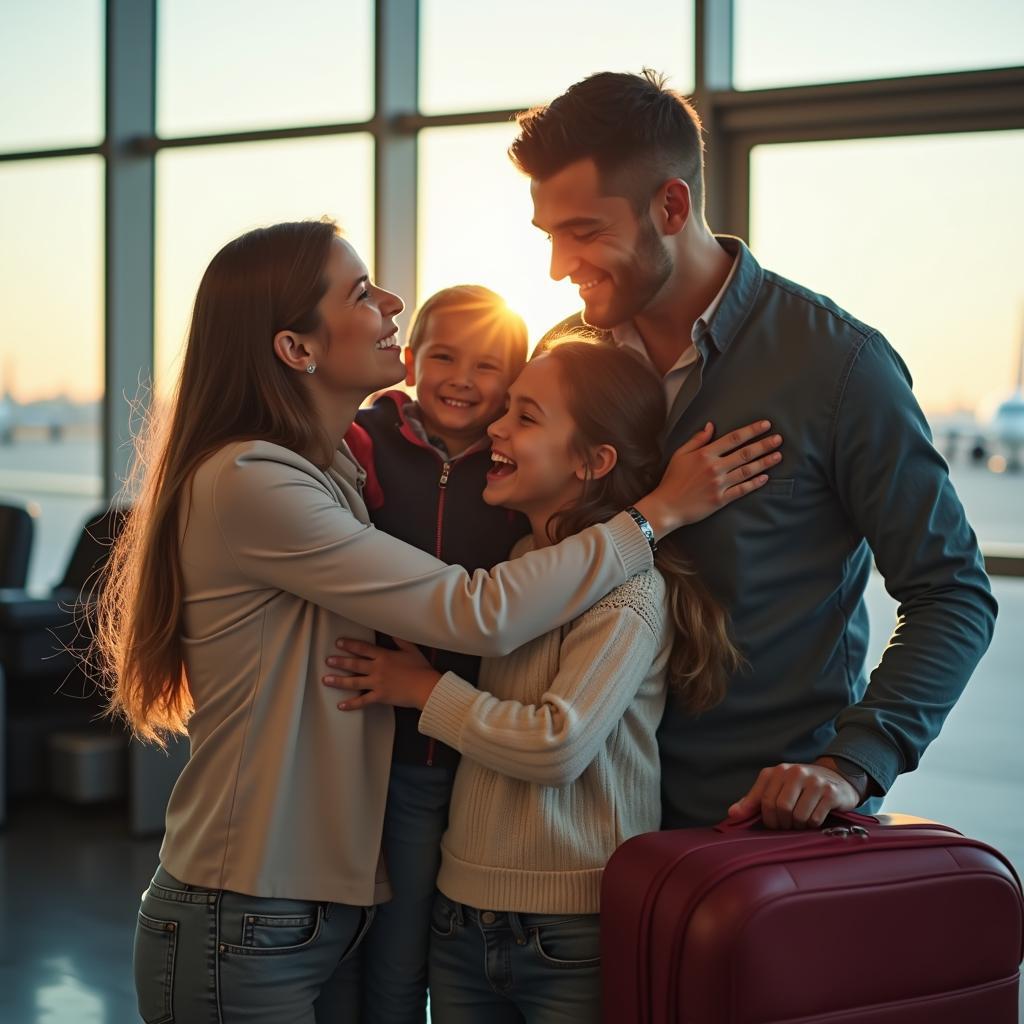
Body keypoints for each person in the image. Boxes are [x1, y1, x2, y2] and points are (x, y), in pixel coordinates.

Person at [93, 218, 781, 1023]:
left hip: (315, 908)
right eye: (358, 292)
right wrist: (653, 514)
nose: (391, 300)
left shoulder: (333, 474)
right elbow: (475, 610)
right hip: (241, 907)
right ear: (295, 349)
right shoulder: (256, 482)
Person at [509, 70, 997, 831]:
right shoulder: (562, 356)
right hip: (571, 833)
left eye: (584, 232)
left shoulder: (839, 366)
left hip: (750, 830)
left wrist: (849, 764)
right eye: (549, 235)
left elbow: (952, 591)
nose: (557, 265)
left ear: (672, 205)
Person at [324, 339, 744, 1023]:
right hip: (460, 912)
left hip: (570, 929)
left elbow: (557, 744)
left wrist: (424, 691)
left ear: (592, 461)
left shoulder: (630, 594)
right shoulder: (520, 564)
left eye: (526, 416)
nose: (496, 426)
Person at [344, 285, 531, 1023]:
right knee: (371, 937)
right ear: (411, 360)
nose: (462, 377)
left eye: (487, 365)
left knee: (431, 944)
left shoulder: (516, 467)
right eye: (445, 356)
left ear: (514, 382)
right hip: (373, 738)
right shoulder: (363, 438)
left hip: (472, 747)